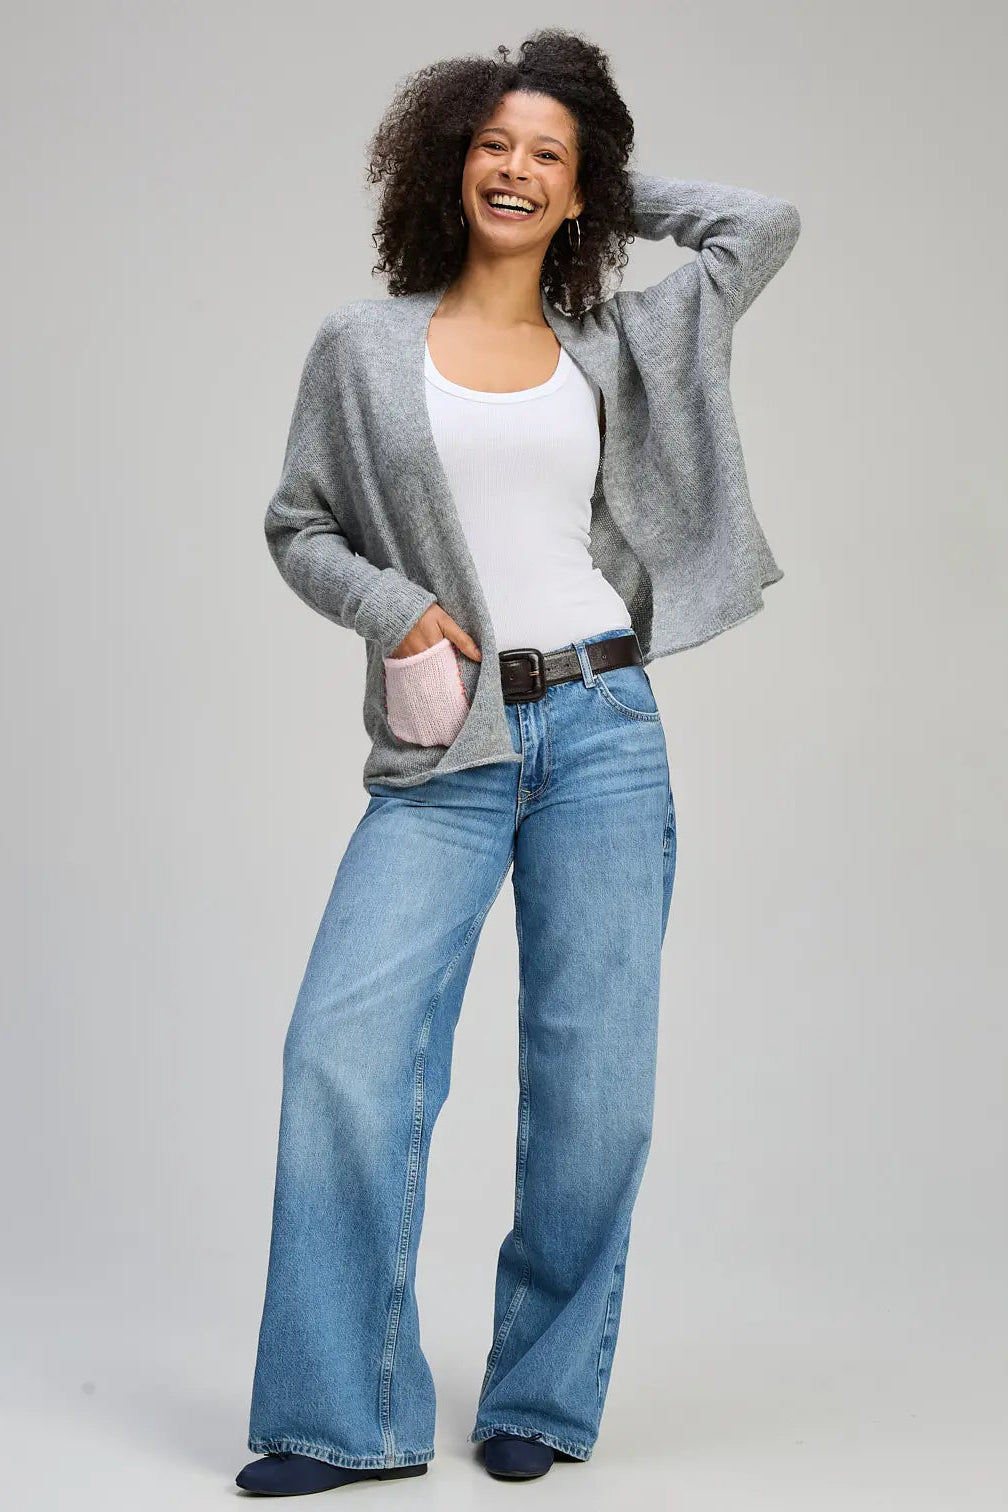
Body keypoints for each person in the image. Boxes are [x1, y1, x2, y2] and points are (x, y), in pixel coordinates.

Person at [236, 27, 800, 1497]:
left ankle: (542, 1400)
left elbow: (762, 228)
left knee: (594, 1088)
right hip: (454, 744)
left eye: (547, 155)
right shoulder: (362, 349)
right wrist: (391, 604)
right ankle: (337, 1416)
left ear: (578, 191)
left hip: (606, 734)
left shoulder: (616, 340)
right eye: (493, 144)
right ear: (447, 161)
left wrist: (605, 183)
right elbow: (300, 524)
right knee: (342, 1056)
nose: (516, 169)